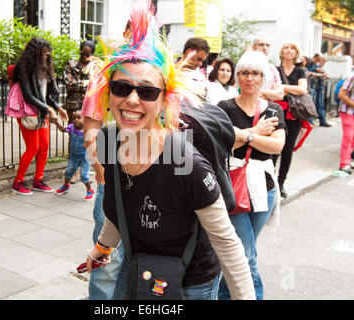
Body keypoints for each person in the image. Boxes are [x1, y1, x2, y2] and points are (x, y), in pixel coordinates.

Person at [84, 0, 255, 300]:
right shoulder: (108, 141)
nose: (132, 100)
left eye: (147, 91)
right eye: (122, 87)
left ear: (164, 100)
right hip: (138, 269)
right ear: (108, 92)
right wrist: (100, 249)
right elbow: (119, 205)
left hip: (190, 283)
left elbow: (227, 244)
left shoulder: (187, 162)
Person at [217, 50, 286, 300]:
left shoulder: (274, 110)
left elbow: (277, 146)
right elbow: (221, 144)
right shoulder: (224, 108)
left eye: (255, 73)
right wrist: (257, 132)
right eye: (244, 72)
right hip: (232, 187)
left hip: (263, 189)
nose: (249, 78)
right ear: (237, 77)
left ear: (263, 78)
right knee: (245, 254)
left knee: (242, 251)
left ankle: (225, 294)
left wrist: (244, 135)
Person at [80, 21, 132, 300]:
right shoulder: (103, 75)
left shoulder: (153, 75)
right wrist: (101, 172)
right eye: (134, 31)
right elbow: (90, 131)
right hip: (112, 182)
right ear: (124, 34)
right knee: (106, 261)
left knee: (133, 262)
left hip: (147, 182)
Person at [10, 37, 68, 195]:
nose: (46, 55)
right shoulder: (24, 67)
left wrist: (57, 107)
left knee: (44, 147)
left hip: (41, 112)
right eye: (43, 52)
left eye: (48, 52)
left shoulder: (44, 68)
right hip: (28, 112)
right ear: (34, 52)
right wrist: (49, 110)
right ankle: (18, 182)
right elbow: (28, 96)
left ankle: (38, 180)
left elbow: (46, 96)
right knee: (33, 148)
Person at [274, 40, 309, 198]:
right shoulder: (275, 70)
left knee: (287, 150)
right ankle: (271, 182)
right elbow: (272, 89)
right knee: (274, 149)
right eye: (286, 47)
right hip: (276, 113)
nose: (289, 50)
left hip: (293, 116)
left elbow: (302, 90)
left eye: (292, 48)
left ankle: (281, 182)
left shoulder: (300, 72)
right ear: (282, 51)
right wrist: (288, 90)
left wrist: (283, 88)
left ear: (296, 53)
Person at [55, 110, 95, 201]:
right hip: (73, 156)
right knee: (68, 171)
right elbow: (63, 129)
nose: (76, 120)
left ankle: (90, 190)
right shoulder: (72, 127)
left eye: (79, 118)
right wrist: (56, 122)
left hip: (84, 157)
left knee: (84, 175)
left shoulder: (87, 130)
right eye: (74, 118)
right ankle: (66, 185)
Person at [337, 55, 354, 174]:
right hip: (348, 112)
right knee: (348, 138)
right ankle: (343, 164)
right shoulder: (353, 76)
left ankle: (348, 160)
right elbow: (341, 95)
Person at [63, 40, 96, 124]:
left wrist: (77, 83)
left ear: (92, 55)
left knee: (89, 134)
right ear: (79, 52)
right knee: (73, 133)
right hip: (72, 106)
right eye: (82, 54)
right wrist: (88, 83)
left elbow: (96, 86)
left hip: (90, 106)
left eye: (87, 55)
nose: (84, 57)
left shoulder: (95, 67)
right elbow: (69, 84)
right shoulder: (71, 65)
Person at [252, 37, 284, 102]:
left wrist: (259, 92)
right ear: (254, 47)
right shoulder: (246, 66)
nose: (265, 48)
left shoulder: (272, 69)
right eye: (261, 45)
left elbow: (279, 94)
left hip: (266, 109)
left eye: (267, 45)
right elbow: (242, 92)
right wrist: (269, 94)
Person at [312, 56, 332, 127]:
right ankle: (321, 121)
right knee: (318, 105)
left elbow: (327, 76)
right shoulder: (316, 67)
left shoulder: (320, 68)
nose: (323, 63)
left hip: (320, 88)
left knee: (320, 105)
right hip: (317, 88)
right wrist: (323, 74)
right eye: (322, 61)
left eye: (324, 62)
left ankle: (322, 120)